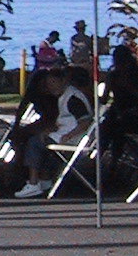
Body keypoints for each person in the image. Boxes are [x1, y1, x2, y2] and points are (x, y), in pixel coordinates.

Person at [14, 65, 93, 198]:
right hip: (64, 133)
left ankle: (33, 183)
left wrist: (69, 136)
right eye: (48, 84)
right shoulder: (64, 96)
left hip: (73, 138)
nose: (51, 87)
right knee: (41, 140)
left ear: (63, 81)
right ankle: (45, 180)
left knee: (35, 142)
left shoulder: (72, 98)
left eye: (54, 83)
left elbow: (84, 121)